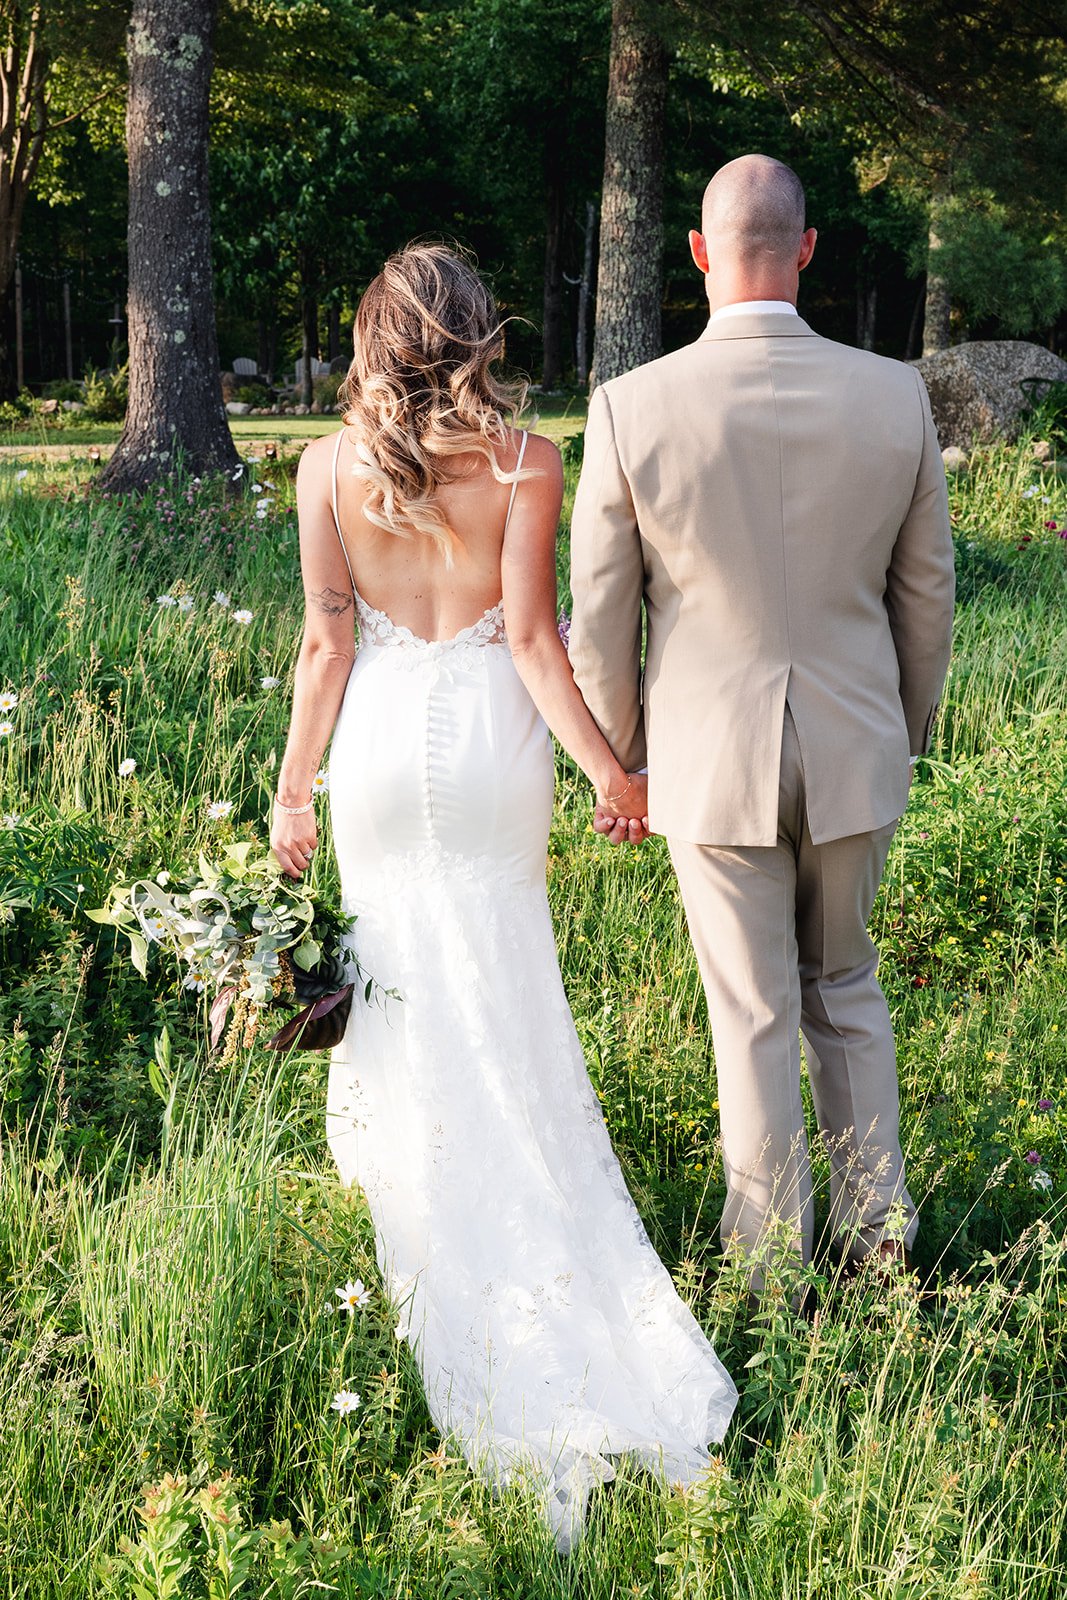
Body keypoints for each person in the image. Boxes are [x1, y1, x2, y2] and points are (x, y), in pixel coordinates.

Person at [269, 243, 736, 1552]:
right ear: (472, 335)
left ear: (370, 337)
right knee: (499, 980)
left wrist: (292, 795)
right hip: (485, 751)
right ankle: (533, 1229)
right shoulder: (525, 464)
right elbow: (532, 642)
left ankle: (418, 1221)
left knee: (397, 984)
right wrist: (612, 772)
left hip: (369, 755)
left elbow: (324, 645)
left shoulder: (322, 470)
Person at [569, 155, 955, 1293]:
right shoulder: (893, 396)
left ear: (697, 253)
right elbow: (924, 594)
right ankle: (879, 1243)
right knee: (845, 984)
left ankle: (766, 1272)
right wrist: (903, 730)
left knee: (748, 1012)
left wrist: (624, 760)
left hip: (705, 757)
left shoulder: (629, 408)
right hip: (852, 741)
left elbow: (598, 615)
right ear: (806, 248)